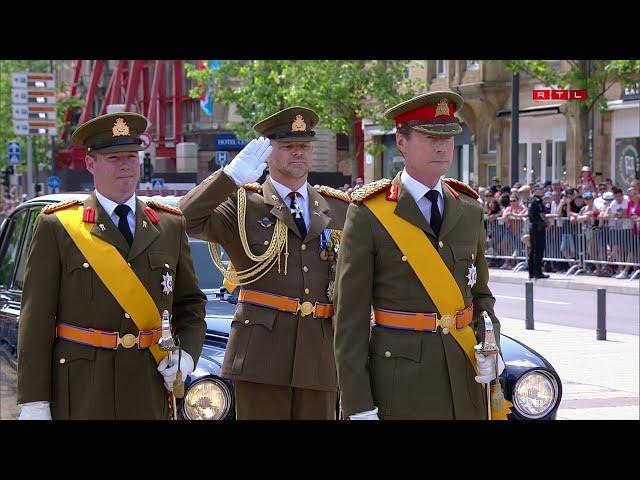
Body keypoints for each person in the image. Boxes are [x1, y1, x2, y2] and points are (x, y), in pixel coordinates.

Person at [17, 112, 207, 420]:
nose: (125, 166)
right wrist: (34, 402)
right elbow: (36, 319)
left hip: (148, 388)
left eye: (131, 156)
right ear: (91, 164)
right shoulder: (59, 226)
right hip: (83, 390)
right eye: (114, 157)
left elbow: (191, 304)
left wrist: (185, 357)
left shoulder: (170, 224)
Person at [334, 91, 505, 420]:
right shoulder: (371, 212)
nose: (441, 147)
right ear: (401, 142)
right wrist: (358, 404)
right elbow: (350, 319)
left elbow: (480, 294)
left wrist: (490, 342)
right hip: (401, 384)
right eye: (429, 138)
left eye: (448, 138)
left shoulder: (468, 208)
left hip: (462, 375)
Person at [178, 107, 349, 420]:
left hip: (320, 354)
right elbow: (183, 220)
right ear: (268, 153)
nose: (298, 152)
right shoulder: (242, 204)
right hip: (260, 355)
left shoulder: (337, 208)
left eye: (304, 146)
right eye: (287, 146)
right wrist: (228, 178)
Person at [528, 183, 550, 279]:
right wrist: (547, 222)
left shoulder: (531, 200)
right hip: (538, 226)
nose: (542, 191)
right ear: (536, 190)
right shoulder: (537, 200)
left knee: (533, 250)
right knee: (538, 250)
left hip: (533, 226)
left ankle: (531, 272)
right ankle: (538, 272)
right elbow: (541, 214)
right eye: (540, 189)